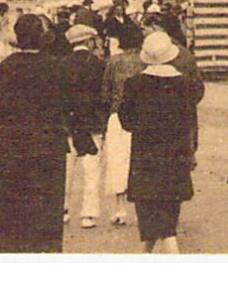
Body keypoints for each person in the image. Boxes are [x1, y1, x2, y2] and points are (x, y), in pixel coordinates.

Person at [0, 14, 74, 253]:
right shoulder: (57, 66)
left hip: (13, 147)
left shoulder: (7, 66)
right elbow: (67, 108)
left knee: (11, 213)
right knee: (47, 211)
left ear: (17, 36)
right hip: (49, 147)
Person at [118, 31, 200, 253]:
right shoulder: (185, 84)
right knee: (167, 216)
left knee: (153, 217)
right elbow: (190, 120)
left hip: (145, 159)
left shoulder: (134, 84)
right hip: (176, 156)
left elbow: (126, 122)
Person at [63, 24, 109, 229]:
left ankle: (62, 209)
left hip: (68, 124)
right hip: (92, 124)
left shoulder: (62, 64)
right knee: (92, 171)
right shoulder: (98, 64)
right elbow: (104, 96)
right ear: (88, 41)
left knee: (66, 170)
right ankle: (88, 214)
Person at [101, 25, 146, 227]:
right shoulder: (146, 61)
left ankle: (120, 208)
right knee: (141, 162)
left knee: (118, 162)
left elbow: (105, 92)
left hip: (118, 115)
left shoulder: (114, 62)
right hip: (144, 117)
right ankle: (143, 208)